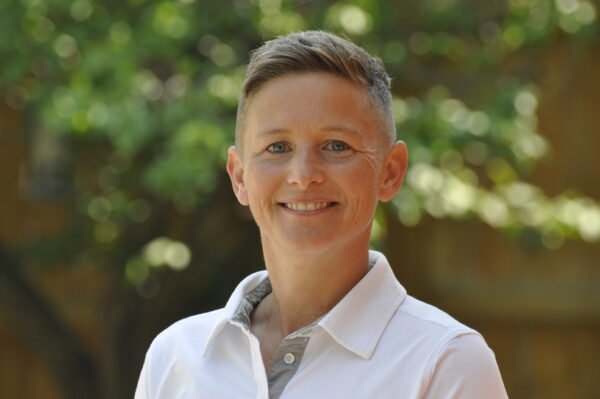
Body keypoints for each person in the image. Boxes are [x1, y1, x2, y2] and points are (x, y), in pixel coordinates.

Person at [135, 30, 508, 399]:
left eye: (336, 146)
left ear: (390, 172)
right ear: (239, 176)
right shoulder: (175, 357)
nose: (303, 175)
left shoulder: (444, 361)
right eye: (277, 147)